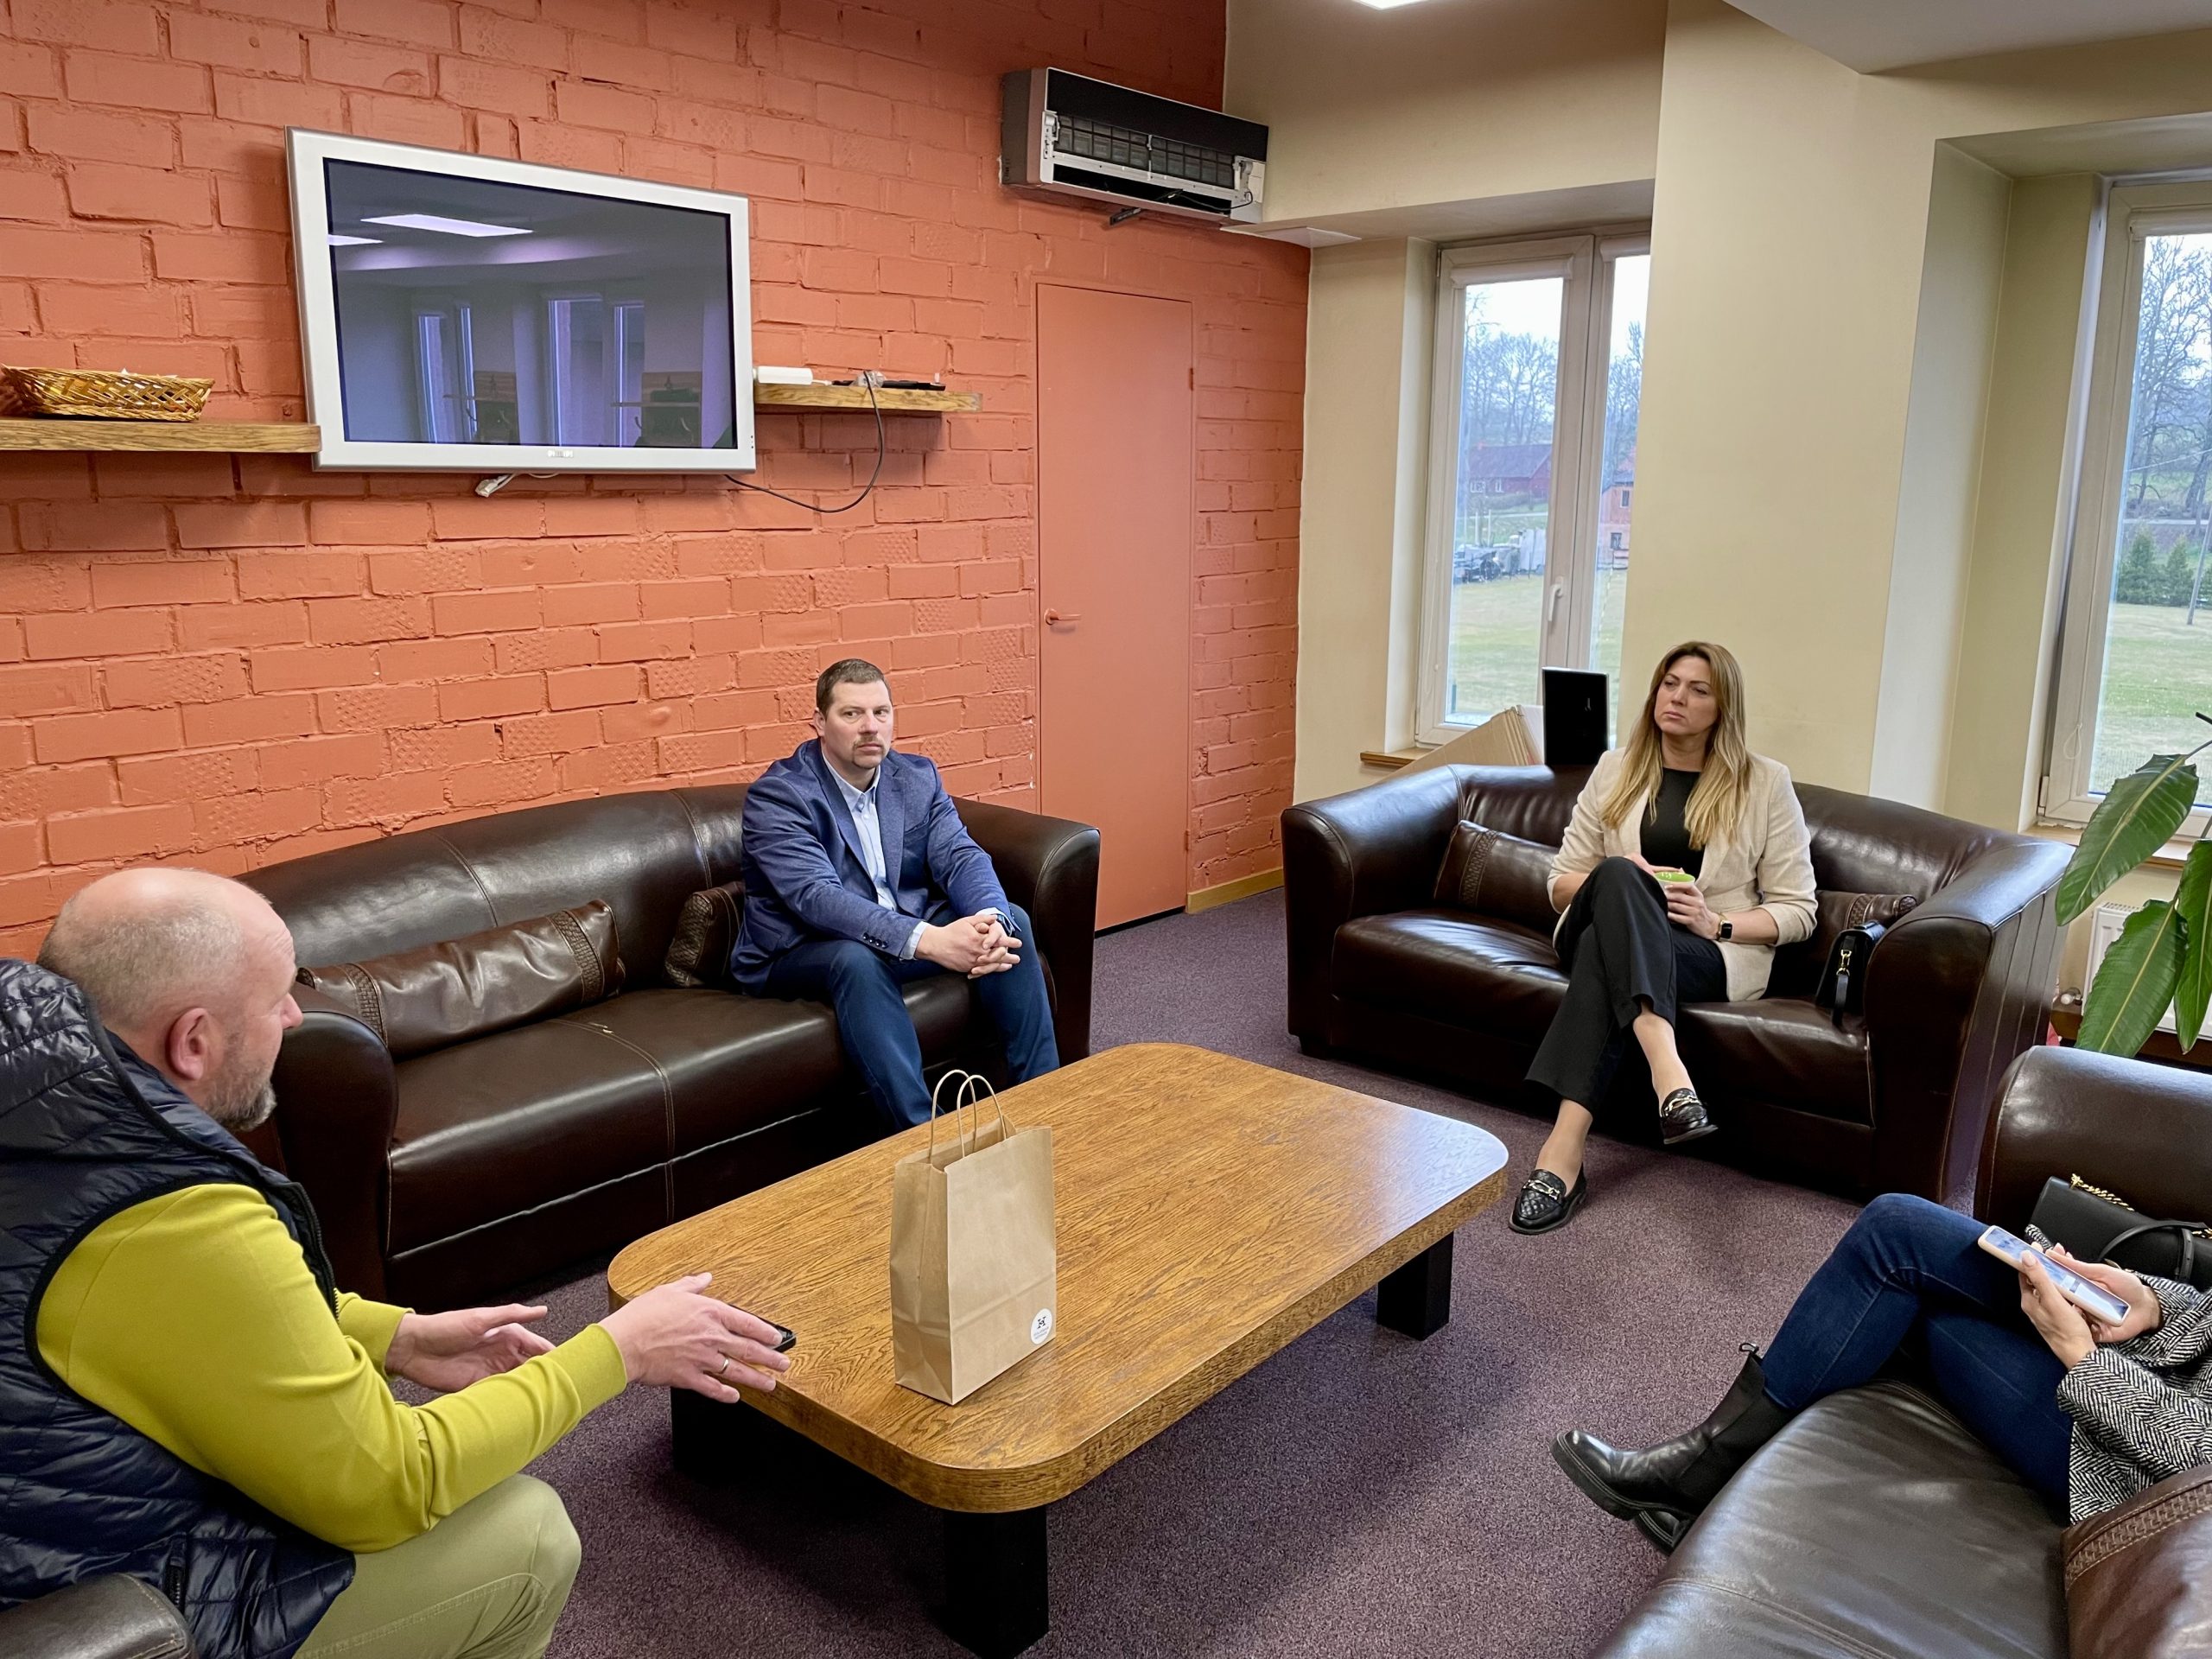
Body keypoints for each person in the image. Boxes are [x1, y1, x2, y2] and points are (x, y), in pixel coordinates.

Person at [3, 868, 793, 1659]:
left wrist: (397, 1337)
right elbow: (386, 1488)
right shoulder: (173, 1210)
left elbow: (164, 1313)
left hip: (48, 1512)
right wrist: (618, 1351)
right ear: (194, 1042)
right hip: (89, 1591)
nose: (293, 1017)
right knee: (524, 1535)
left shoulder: (42, 1102)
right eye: (276, 1000)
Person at [1552, 1192, 2212, 1548]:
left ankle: (1701, 1472)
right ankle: (1706, 1466)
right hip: (2152, 1354)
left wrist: (2083, 1361)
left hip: (2143, 1468)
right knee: (1896, 1229)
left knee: (1904, 1311)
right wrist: (2154, 1302)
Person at [1510, 641, 1816, 1235]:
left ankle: (1561, 1156)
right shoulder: (1615, 768)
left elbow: (1798, 910)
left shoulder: (1765, 783)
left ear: (1723, 708)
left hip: (1701, 950)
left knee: (1606, 952)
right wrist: (1619, 878)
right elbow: (1559, 883)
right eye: (1670, 683)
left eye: (1698, 690)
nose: (1677, 698)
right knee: (1619, 874)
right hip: (1603, 923)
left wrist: (1715, 922)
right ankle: (1669, 1073)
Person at [731, 658, 1060, 1128]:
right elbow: (817, 899)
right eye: (852, 714)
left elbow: (959, 855)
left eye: (881, 712)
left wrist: (988, 919)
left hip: (897, 933)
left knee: (1010, 922)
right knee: (854, 959)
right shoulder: (780, 796)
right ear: (820, 722)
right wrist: (930, 939)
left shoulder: (916, 777)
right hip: (800, 949)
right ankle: (925, 1132)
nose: (870, 727)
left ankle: (1044, 1101)